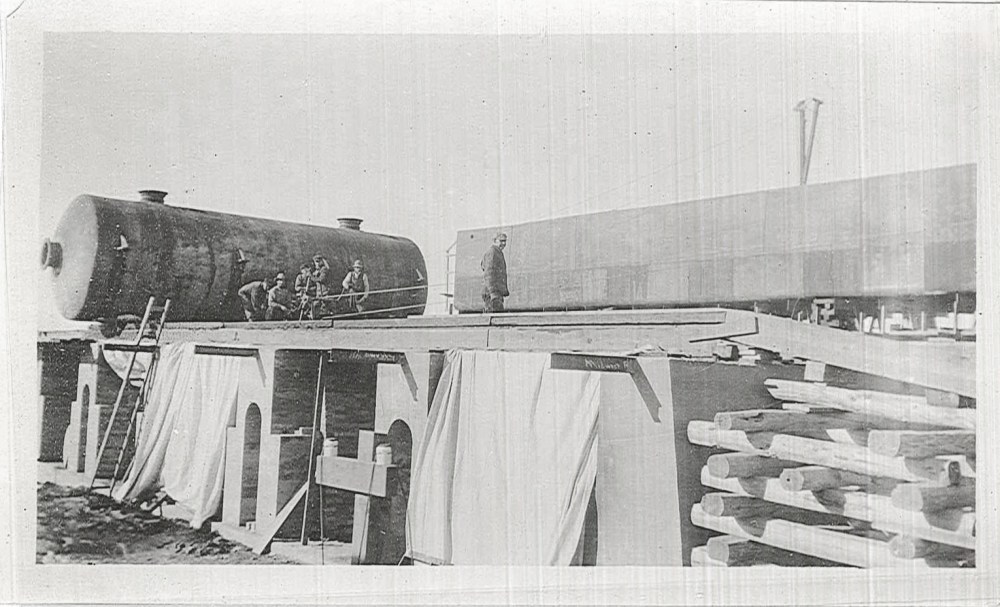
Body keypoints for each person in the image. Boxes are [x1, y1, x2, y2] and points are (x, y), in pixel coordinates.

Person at [481, 232, 509, 312]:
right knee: (495, 318)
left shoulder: (497, 252)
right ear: (495, 241)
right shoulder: (492, 252)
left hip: (496, 293)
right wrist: (492, 292)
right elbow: (489, 274)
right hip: (492, 293)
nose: (503, 243)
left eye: (505, 241)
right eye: (501, 241)